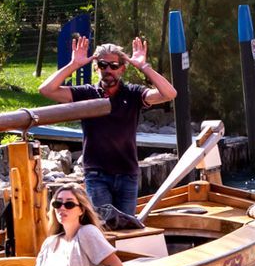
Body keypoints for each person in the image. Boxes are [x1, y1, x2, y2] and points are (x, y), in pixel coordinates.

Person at [39, 33, 176, 225]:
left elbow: (169, 93)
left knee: (126, 227)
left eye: (113, 66)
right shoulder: (86, 93)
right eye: (103, 65)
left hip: (127, 173)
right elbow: (46, 90)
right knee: (103, 226)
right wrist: (73, 65)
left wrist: (144, 67)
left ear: (122, 68)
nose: (108, 70)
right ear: (96, 67)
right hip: (96, 174)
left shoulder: (134, 93)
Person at [31, 183, 125, 266]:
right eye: (57, 204)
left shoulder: (87, 232)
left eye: (69, 204)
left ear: (81, 210)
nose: (62, 208)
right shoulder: (49, 243)